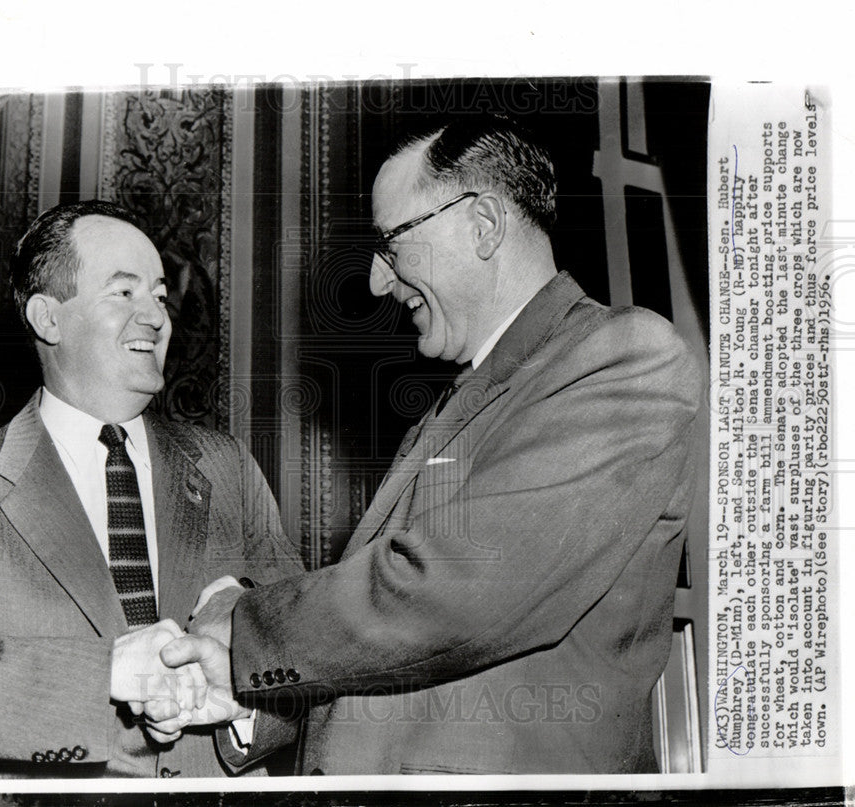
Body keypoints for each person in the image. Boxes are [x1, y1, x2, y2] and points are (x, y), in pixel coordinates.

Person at [147, 117, 704, 774]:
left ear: (484, 225)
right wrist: (245, 693)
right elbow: (388, 652)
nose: (380, 282)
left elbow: (454, 591)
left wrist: (242, 628)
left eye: (393, 242)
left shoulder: (625, 357)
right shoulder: (451, 408)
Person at [0, 200, 302, 778]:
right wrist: (107, 671)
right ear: (47, 318)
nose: (156, 316)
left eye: (159, 294)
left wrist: (247, 708)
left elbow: (308, 653)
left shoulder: (228, 467)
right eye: (124, 293)